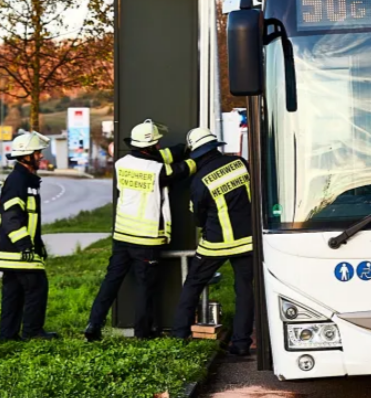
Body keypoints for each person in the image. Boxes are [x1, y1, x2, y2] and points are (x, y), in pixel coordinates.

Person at [84, 119, 197, 341]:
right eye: (157, 143)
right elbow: (181, 170)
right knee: (145, 287)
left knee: (111, 281)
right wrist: (198, 158)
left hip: (122, 235)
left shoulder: (122, 163)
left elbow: (162, 156)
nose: (160, 146)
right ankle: (143, 333)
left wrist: (181, 149)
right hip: (146, 238)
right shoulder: (157, 170)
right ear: (151, 146)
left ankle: (93, 324)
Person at [171, 127, 254, 356]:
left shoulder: (199, 182)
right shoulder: (240, 164)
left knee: (193, 285)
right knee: (245, 290)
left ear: (196, 154)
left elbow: (198, 219)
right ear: (215, 147)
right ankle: (241, 344)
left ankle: (179, 336)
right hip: (248, 241)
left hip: (215, 244)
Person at [0, 131, 57, 341]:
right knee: (37, 286)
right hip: (19, 250)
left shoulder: (26, 180)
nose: (41, 156)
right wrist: (25, 245)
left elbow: (28, 219)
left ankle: (8, 335)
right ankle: (33, 332)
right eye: (37, 153)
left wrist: (38, 244)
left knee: (13, 292)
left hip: (14, 249)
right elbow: (11, 216)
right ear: (26, 156)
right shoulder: (18, 181)